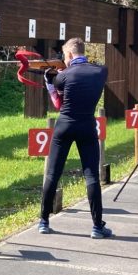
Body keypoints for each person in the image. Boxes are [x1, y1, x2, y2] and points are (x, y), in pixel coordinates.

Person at [38, 37, 112, 239]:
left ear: (68, 54)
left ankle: (44, 221)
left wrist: (50, 83)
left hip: (64, 126)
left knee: (53, 173)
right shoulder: (101, 72)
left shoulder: (63, 76)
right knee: (92, 177)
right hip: (87, 125)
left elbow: (58, 103)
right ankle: (97, 226)